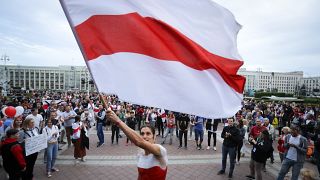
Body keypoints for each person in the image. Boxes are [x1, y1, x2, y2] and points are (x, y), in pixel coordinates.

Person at [105, 102, 168, 180]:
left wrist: (118, 121)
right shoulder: (140, 153)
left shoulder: (160, 150)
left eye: (148, 134)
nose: (145, 136)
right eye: (142, 134)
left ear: (154, 137)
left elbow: (139, 141)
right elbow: (141, 175)